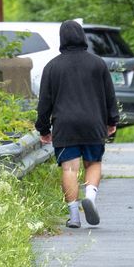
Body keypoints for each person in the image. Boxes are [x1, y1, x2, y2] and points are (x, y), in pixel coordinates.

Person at [35, 19, 118, 230]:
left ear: (61, 39)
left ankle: (74, 215)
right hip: (93, 123)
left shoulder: (52, 66)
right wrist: (112, 120)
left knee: (69, 169)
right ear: (82, 37)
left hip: (65, 125)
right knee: (94, 163)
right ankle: (90, 196)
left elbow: (44, 102)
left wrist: (43, 129)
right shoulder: (97, 63)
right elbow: (109, 95)